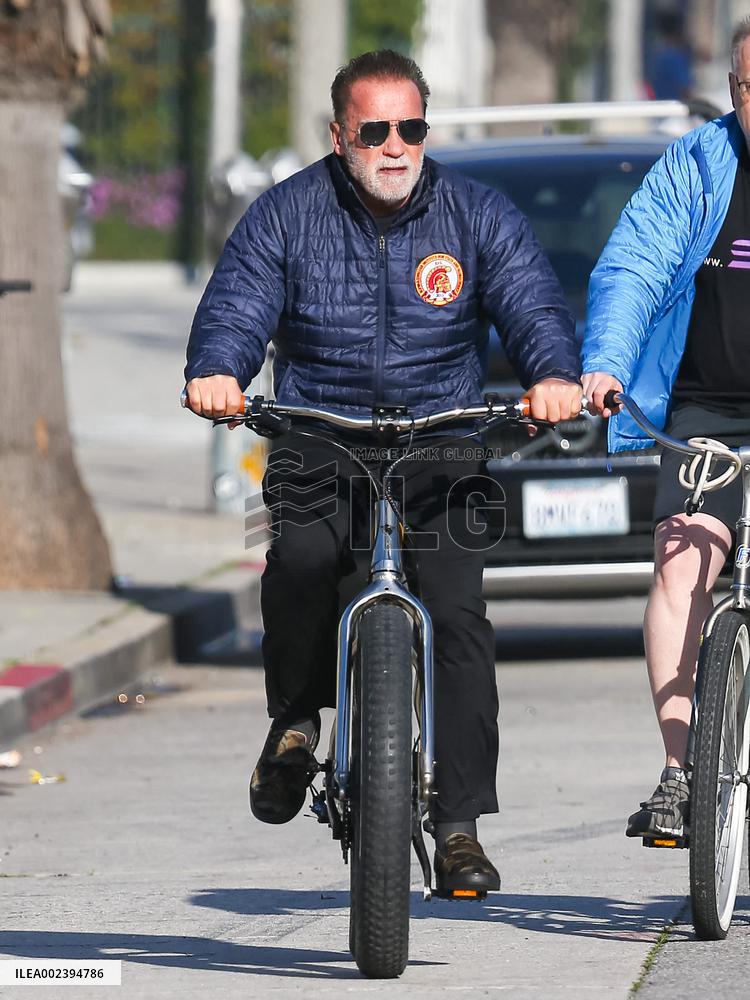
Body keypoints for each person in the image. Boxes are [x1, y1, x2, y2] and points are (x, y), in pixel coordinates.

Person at [185, 49, 581, 893]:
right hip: (321, 430)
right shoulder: (286, 216)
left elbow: (531, 303)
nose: (396, 146)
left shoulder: (478, 216)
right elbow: (236, 305)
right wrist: (218, 369)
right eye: (376, 130)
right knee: (298, 559)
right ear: (339, 136)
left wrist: (551, 375)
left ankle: (462, 824)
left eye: (412, 127)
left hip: (441, 436)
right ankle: (294, 725)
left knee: (459, 614)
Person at [583, 18, 750, 841]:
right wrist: (606, 362)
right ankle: (683, 773)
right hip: (708, 410)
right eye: (749, 88)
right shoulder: (698, 165)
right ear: (732, 89)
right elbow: (632, 267)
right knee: (681, 561)